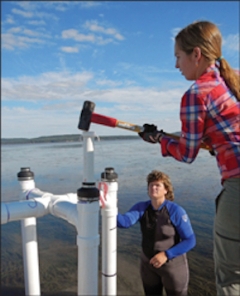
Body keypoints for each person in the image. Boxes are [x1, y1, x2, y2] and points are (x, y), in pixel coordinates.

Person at [138, 20, 240, 296]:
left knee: (231, 278)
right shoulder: (234, 81)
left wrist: (160, 139)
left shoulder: (196, 95)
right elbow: (223, 131)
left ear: (196, 54)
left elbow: (186, 153)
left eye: (178, 57)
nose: (176, 65)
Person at [117, 170, 196, 296]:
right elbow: (124, 222)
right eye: (151, 185)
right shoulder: (142, 208)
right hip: (148, 265)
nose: (153, 187)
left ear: (166, 190)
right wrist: (109, 207)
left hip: (172, 267)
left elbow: (190, 240)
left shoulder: (175, 211)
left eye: (158, 185)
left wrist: (166, 254)